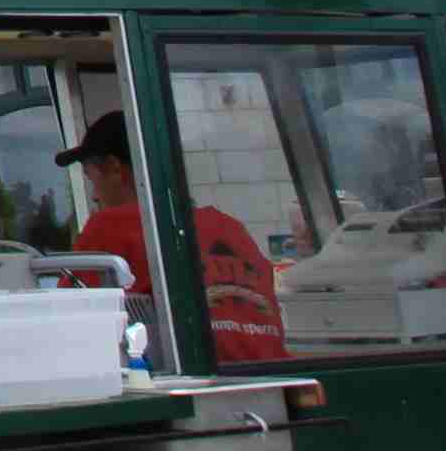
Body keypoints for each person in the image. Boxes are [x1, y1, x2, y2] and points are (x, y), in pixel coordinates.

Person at [50, 110, 282, 361]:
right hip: (271, 378)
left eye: (91, 179)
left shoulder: (109, 225)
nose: (94, 196)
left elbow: (64, 323)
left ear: (115, 169)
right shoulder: (231, 228)